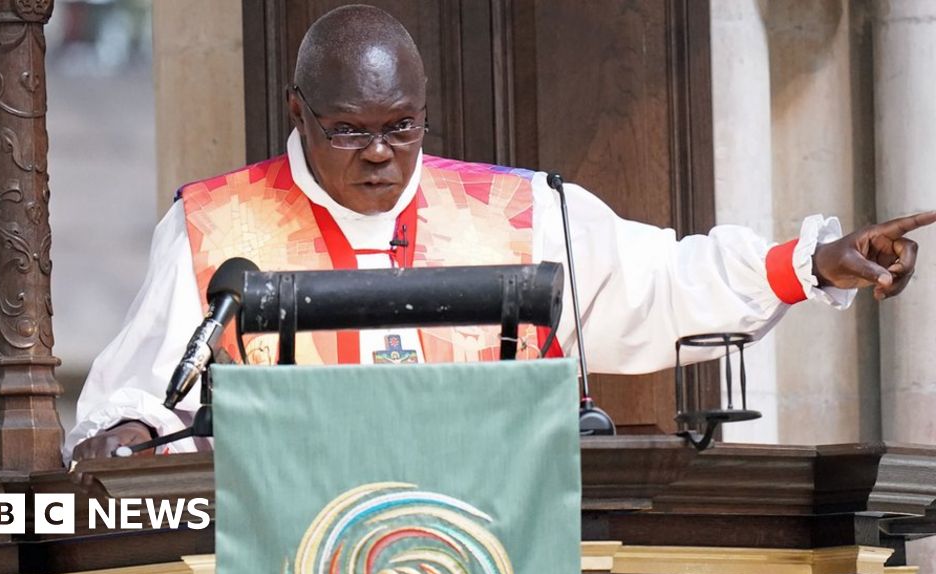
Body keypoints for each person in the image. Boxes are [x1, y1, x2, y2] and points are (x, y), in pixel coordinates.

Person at [66, 5, 935, 463]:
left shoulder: (517, 213)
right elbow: (141, 392)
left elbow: (658, 283)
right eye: (348, 132)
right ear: (299, 113)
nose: (380, 156)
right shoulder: (218, 224)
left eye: (402, 127)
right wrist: (133, 434)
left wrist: (811, 261)